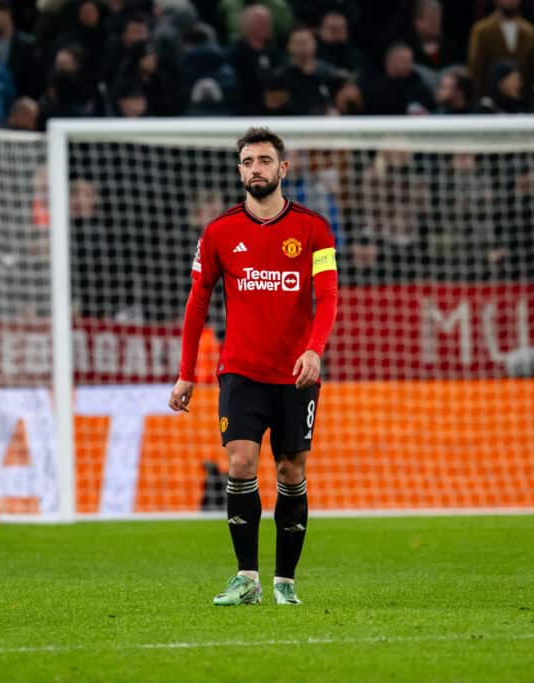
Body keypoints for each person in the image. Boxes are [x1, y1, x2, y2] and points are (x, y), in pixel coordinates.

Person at [168, 128, 338, 606]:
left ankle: (285, 582)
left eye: (265, 160)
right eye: (247, 161)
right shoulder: (220, 232)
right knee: (241, 462)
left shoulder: (314, 228)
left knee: (289, 470)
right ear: (239, 169)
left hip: (296, 372)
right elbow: (196, 304)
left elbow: (326, 296)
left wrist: (315, 348)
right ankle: (247, 578)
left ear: (283, 169)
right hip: (240, 370)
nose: (255, 169)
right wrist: (185, 372)